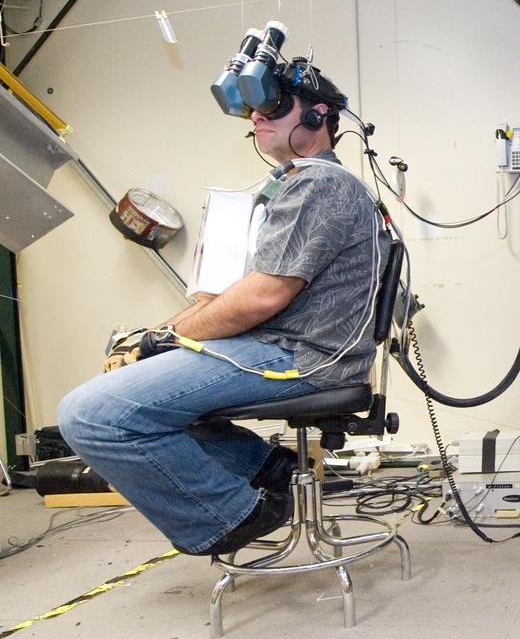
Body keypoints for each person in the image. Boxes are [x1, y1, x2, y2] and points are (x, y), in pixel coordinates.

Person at [58, 60, 390, 557]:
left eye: (274, 104)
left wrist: (162, 341)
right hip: (278, 347)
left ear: (319, 117)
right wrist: (161, 334)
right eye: (254, 108)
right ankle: (264, 469)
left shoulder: (321, 185)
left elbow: (261, 297)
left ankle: (232, 514)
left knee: (91, 414)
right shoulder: (297, 186)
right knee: (141, 392)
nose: (258, 115)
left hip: (302, 358)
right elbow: (243, 290)